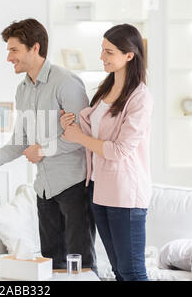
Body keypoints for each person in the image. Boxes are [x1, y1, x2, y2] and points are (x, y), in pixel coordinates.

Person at [0, 19, 97, 272]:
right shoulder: (23, 90)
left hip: (74, 187)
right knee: (52, 266)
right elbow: (22, 140)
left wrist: (43, 149)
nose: (9, 57)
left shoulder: (66, 82)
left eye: (14, 50)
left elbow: (83, 133)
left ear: (35, 48)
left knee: (80, 265)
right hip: (44, 191)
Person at [61, 24, 153, 281]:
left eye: (109, 52)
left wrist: (79, 136)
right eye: (102, 50)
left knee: (132, 272)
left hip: (125, 194)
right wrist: (72, 126)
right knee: (118, 271)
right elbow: (97, 137)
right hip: (99, 189)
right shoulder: (105, 89)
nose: (102, 57)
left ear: (129, 55)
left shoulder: (140, 98)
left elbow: (120, 150)